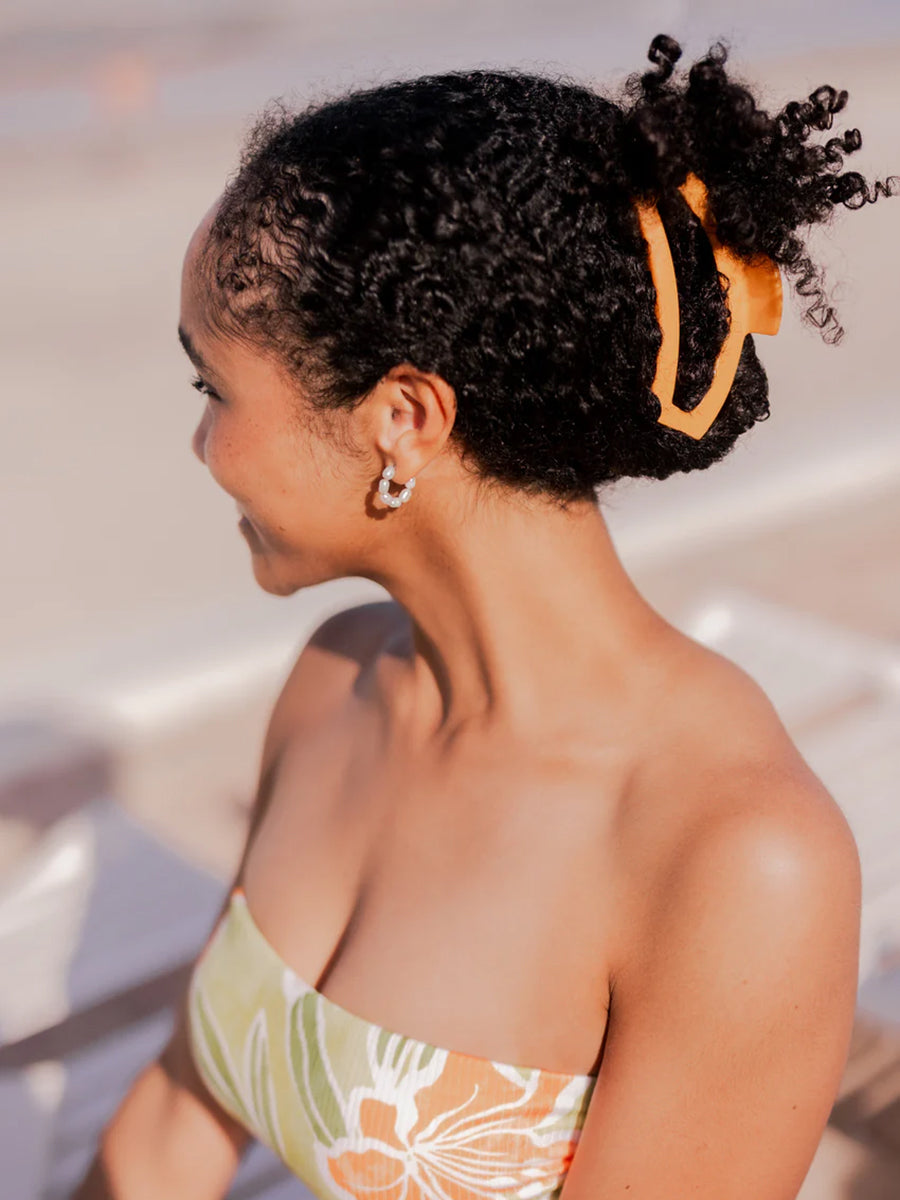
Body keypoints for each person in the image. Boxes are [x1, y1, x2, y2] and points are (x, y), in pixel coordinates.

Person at [73, 32, 896, 1200]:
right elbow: (172, 1124)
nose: (203, 446)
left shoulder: (738, 859)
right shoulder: (335, 682)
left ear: (405, 417)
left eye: (215, 387)